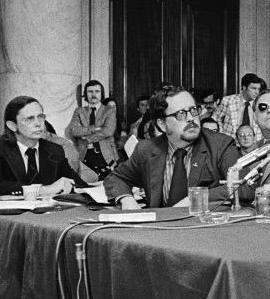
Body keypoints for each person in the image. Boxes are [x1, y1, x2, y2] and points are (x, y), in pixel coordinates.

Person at [103, 86, 242, 209]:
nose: (191, 119)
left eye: (194, 110)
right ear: (162, 125)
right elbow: (115, 178)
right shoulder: (147, 149)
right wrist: (126, 200)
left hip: (202, 231)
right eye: (180, 114)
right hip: (160, 232)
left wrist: (196, 198)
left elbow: (245, 186)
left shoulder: (220, 145)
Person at [0, 96, 85, 196]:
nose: (38, 123)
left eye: (40, 117)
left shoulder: (55, 150)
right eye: (29, 119)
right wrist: (42, 190)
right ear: (12, 126)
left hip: (49, 214)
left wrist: (96, 188)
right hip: (12, 214)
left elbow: (77, 184)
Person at [219, 72, 265, 139]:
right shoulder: (228, 100)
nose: (257, 92)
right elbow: (216, 119)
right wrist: (222, 135)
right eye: (253, 88)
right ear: (244, 87)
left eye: (258, 89)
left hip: (254, 144)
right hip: (231, 142)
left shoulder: (261, 104)